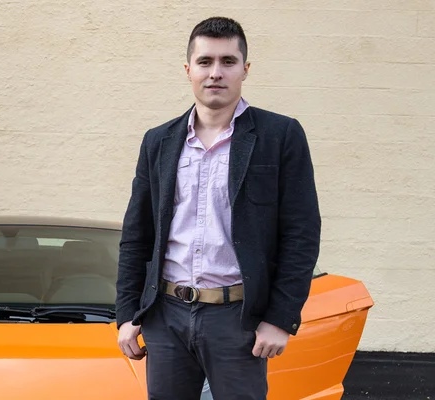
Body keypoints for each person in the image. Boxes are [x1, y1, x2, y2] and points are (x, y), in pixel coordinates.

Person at [115, 16, 321, 400]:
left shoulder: (280, 135)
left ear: (245, 69)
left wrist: (279, 319)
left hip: (238, 318)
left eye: (228, 61)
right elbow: (137, 235)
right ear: (188, 69)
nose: (216, 73)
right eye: (205, 61)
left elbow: (302, 235)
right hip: (166, 313)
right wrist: (127, 314)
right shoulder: (158, 141)